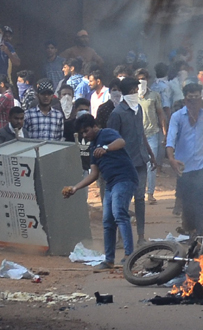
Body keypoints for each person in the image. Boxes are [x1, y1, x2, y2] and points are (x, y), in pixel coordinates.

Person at [63, 114, 137, 271]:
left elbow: (121, 142)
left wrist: (105, 148)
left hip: (124, 178)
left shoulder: (106, 133)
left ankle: (130, 255)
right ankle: (109, 259)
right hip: (110, 183)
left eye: (86, 131)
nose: (85, 135)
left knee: (119, 214)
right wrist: (76, 188)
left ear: (94, 126)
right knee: (107, 221)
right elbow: (94, 173)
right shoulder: (92, 146)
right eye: (82, 133)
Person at [107, 78, 156, 247]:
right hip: (125, 163)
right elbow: (111, 139)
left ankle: (141, 236)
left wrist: (151, 154)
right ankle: (122, 237)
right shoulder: (117, 114)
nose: (136, 92)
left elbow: (141, 133)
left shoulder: (138, 109)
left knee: (140, 198)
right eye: (134, 90)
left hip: (141, 160)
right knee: (124, 200)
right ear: (126, 92)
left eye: (137, 89)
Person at [166, 83, 203, 235]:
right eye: (191, 98)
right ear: (185, 100)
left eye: (197, 98)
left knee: (201, 200)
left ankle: (201, 234)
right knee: (187, 203)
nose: (194, 102)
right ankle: (189, 231)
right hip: (183, 167)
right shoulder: (177, 117)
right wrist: (171, 159)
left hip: (202, 165)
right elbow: (170, 140)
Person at [135, 68, 167, 204]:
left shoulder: (154, 95)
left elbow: (160, 114)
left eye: (144, 79)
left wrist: (165, 132)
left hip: (152, 133)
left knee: (151, 164)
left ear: (147, 80)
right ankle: (138, 192)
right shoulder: (131, 96)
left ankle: (150, 193)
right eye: (139, 79)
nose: (141, 81)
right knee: (137, 164)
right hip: (136, 135)